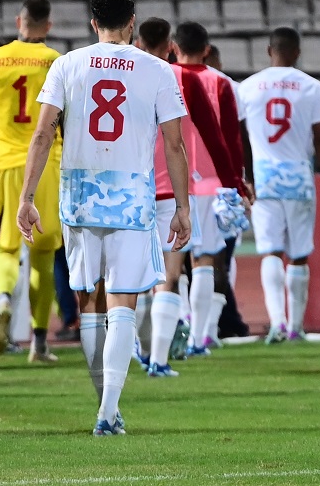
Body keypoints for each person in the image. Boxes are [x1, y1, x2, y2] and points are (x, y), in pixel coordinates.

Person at [17, 0, 192, 435]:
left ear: (93, 22)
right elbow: (174, 144)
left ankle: (105, 406)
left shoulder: (67, 64)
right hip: (131, 196)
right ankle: (108, 411)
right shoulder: (157, 69)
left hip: (80, 193)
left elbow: (42, 134)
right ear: (132, 22)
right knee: (123, 301)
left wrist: (27, 198)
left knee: (90, 301)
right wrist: (182, 206)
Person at [136, 18, 239, 376]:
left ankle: (134, 349)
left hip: (129, 187)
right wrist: (234, 182)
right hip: (176, 185)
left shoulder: (121, 75)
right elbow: (215, 136)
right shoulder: (186, 79)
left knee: (131, 276)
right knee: (173, 272)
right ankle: (162, 358)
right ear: (169, 47)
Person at [0, 0, 63, 361]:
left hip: (6, 163)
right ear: (48, 26)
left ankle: (4, 299)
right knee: (43, 256)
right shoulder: (55, 61)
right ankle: (39, 342)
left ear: (18, 21)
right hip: (48, 164)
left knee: (5, 248)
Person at [238, 28, 320, 344]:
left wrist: (247, 176)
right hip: (298, 177)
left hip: (264, 177)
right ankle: (296, 327)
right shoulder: (312, 87)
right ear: (297, 52)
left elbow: (241, 137)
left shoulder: (248, 87)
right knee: (299, 253)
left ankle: (277, 323)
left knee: (270, 251)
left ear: (270, 51)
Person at [171, 22, 247, 356]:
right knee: (205, 259)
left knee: (172, 261)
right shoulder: (221, 83)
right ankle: (200, 337)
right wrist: (237, 183)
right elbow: (231, 137)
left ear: (174, 47)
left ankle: (177, 324)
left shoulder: (163, 76)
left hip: (170, 182)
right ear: (206, 49)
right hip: (211, 184)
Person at [202, 45, 250, 340]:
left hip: (189, 182)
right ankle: (216, 326)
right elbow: (240, 136)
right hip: (223, 184)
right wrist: (245, 180)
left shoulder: (171, 77)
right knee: (221, 257)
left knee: (190, 261)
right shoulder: (228, 85)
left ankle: (202, 327)